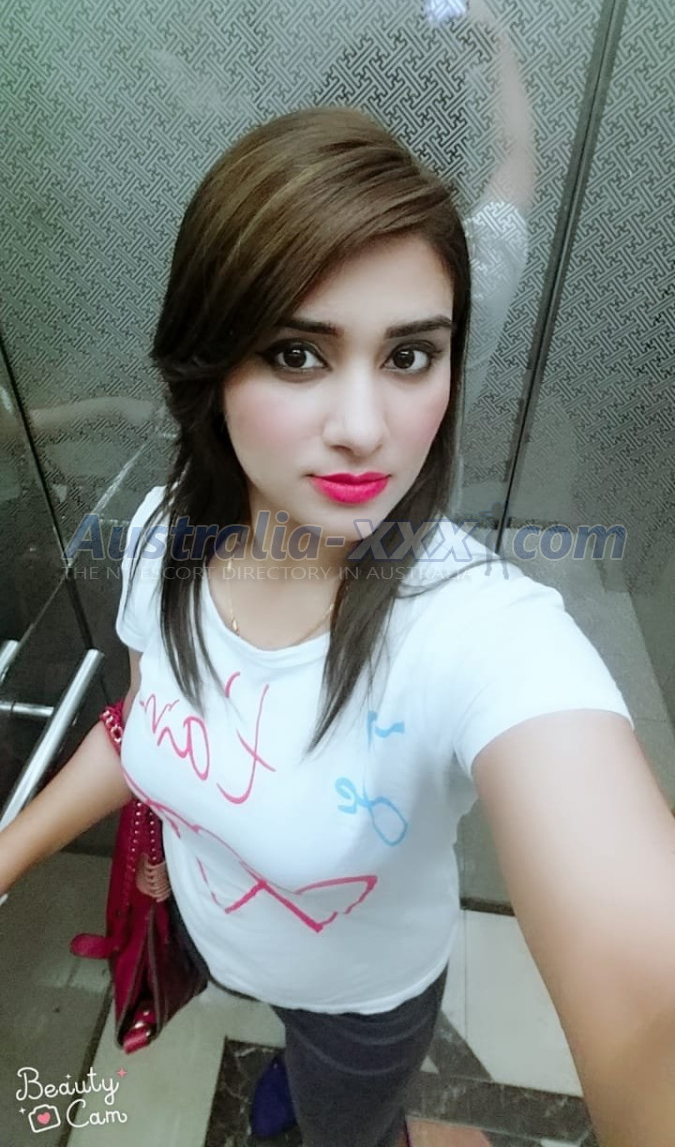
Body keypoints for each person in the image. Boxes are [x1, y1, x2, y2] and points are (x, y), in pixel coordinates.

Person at [1, 106, 674, 1147]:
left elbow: (644, 994)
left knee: (341, 1125)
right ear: (209, 365)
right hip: (221, 936)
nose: (364, 428)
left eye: (410, 356)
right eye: (296, 354)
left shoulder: (481, 633)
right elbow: (142, 723)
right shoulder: (166, 533)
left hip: (362, 1008)